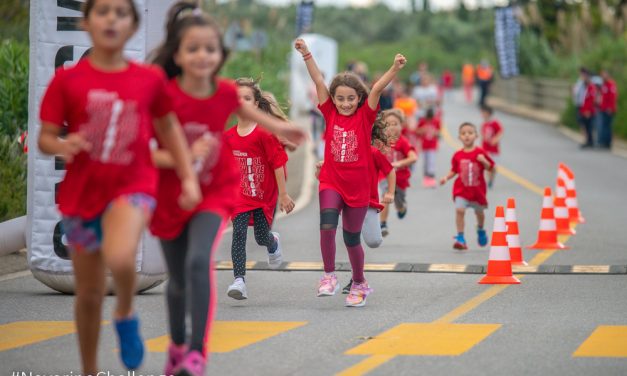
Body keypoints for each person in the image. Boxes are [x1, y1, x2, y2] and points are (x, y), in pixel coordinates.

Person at [37, 0, 202, 373]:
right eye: (102, 11)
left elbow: (168, 129)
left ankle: (125, 310)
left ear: (132, 26)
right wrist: (63, 145)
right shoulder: (67, 80)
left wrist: (188, 176)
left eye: (121, 12)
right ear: (87, 22)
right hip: (82, 195)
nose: (111, 18)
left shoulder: (148, 80)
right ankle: (90, 368)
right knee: (90, 295)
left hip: (133, 185)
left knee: (121, 256)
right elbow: (46, 137)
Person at [149, 3, 305, 375]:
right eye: (193, 48)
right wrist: (184, 161)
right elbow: (147, 153)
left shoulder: (222, 92)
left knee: (199, 261)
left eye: (210, 49)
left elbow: (251, 114)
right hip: (171, 193)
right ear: (177, 53)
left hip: (215, 193)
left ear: (220, 55)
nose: (202, 56)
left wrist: (284, 131)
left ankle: (196, 351)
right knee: (178, 279)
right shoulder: (162, 94)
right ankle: (177, 344)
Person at [295, 37, 406, 307]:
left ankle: (359, 282)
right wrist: (306, 53)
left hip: (357, 188)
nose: (345, 103)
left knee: (351, 237)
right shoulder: (329, 113)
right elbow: (319, 82)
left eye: (350, 99)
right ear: (332, 100)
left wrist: (394, 68)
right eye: (340, 98)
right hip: (331, 181)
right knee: (326, 227)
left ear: (359, 100)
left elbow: (377, 89)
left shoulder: (364, 116)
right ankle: (329, 275)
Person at [223, 78, 296, 301]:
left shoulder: (264, 134)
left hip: (264, 196)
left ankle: (272, 242)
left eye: (247, 98)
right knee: (239, 235)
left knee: (261, 237)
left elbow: (277, 164)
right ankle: (239, 281)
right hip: (240, 197)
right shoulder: (228, 137)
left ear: (255, 104)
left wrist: (283, 195)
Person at [341, 115, 396, 293]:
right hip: (348, 203)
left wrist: (390, 192)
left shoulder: (373, 152)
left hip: (369, 202)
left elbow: (390, 171)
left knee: (373, 241)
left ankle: (357, 277)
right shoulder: (346, 152)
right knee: (352, 241)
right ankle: (356, 278)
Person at [440, 122, 494, 250]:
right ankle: (460, 237)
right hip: (461, 190)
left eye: (470, 133)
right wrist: (446, 178)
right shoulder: (457, 155)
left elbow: (490, 167)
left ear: (476, 136)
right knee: (459, 210)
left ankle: (480, 229)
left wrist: (484, 161)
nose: (467, 136)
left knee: (479, 213)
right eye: (463, 133)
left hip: (477, 191)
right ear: (459, 137)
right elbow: (454, 170)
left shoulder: (481, 152)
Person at [379, 109, 418, 237]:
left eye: (395, 124)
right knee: (385, 196)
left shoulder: (403, 141)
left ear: (401, 125)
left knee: (398, 203)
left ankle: (402, 208)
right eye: (388, 124)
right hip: (384, 177)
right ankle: (383, 224)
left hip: (400, 179)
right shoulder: (380, 142)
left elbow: (413, 157)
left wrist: (399, 164)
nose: (392, 127)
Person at [479, 105, 503, 188]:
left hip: (494, 149)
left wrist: (495, 139)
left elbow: (500, 132)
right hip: (486, 149)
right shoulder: (484, 124)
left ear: (488, 113)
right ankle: (490, 181)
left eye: (484, 113)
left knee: (494, 167)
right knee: (488, 166)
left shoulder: (494, 123)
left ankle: (491, 179)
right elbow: (482, 135)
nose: (482, 114)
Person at [416, 107, 441, 188]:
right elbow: (417, 131)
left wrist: (435, 133)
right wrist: (422, 130)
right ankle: (426, 176)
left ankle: (431, 176)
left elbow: (438, 133)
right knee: (426, 161)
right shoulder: (422, 121)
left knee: (431, 160)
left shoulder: (436, 121)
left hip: (432, 145)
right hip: (424, 144)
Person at [599, 69, 617, 149]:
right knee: (604, 126)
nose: (603, 76)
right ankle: (604, 142)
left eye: (604, 74)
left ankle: (608, 143)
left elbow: (613, 97)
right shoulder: (604, 84)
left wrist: (610, 107)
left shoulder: (611, 84)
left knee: (607, 126)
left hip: (608, 109)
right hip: (603, 108)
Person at [578, 70, 597, 148]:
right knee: (585, 126)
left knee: (589, 127)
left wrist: (588, 111)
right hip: (584, 110)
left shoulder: (592, 87)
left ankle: (590, 141)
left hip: (589, 111)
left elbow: (591, 100)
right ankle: (588, 141)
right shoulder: (586, 87)